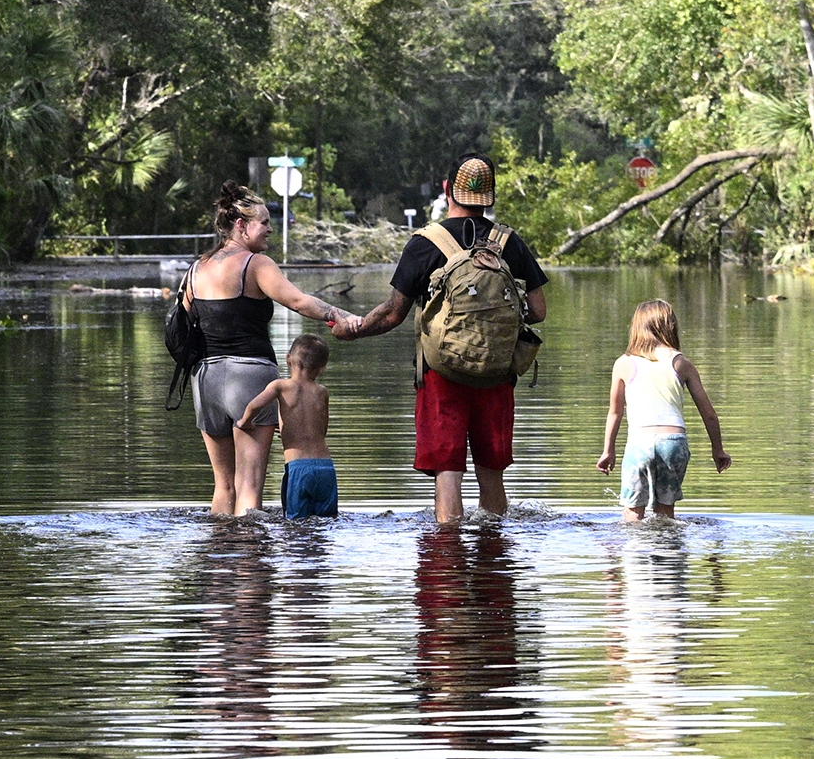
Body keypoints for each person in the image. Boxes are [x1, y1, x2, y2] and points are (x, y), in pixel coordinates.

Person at [337, 156, 547, 524]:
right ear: (490, 196)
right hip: (497, 374)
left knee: (447, 469)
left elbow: (392, 313)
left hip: (442, 374)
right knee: (491, 469)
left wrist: (353, 329)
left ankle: (446, 560)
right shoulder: (508, 242)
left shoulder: (425, 243)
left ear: (447, 188)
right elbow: (539, 310)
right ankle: (492, 558)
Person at [187, 183, 352, 515]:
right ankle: (251, 565)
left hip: (205, 380)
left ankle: (221, 560)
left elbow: (186, 322)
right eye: (263, 222)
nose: (270, 229)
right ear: (241, 225)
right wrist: (343, 317)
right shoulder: (256, 264)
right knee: (249, 487)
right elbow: (297, 300)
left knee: (224, 485)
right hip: (248, 376)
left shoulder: (197, 267)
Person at [594, 298, 729, 523]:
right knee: (665, 514)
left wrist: (608, 450)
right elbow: (708, 413)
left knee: (632, 514)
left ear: (636, 327)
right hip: (673, 443)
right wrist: (718, 450)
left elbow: (615, 412)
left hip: (640, 443)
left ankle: (635, 555)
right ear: (671, 326)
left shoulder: (624, 363)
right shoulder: (681, 363)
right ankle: (668, 554)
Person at [241, 334, 338, 519]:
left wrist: (244, 422)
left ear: (288, 359)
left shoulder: (281, 386)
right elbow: (322, 429)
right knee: (326, 522)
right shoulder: (322, 392)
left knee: (295, 525)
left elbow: (254, 405)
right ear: (322, 369)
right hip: (326, 468)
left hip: (298, 467)